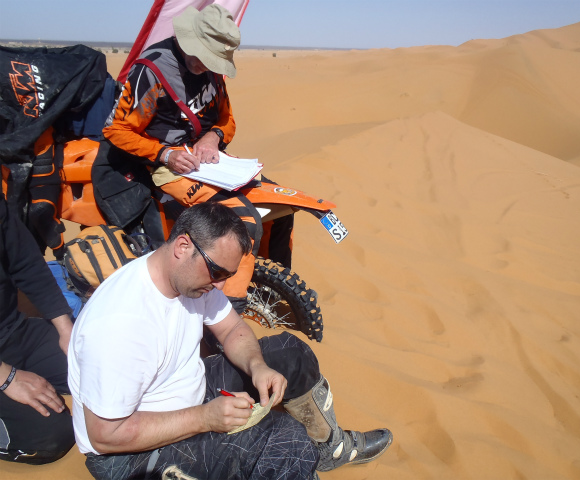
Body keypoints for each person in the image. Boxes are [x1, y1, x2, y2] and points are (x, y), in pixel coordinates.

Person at [68, 201, 392, 479]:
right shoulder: (120, 324)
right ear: (182, 247)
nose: (221, 286)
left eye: (228, 275)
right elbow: (105, 435)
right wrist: (204, 418)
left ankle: (327, 449)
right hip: (128, 454)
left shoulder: (191, 277)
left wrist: (257, 366)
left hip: (190, 395)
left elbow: (231, 329)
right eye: (217, 272)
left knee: (291, 353)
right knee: (285, 442)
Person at [101, 4, 293, 314]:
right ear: (190, 42)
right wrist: (165, 154)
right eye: (206, 57)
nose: (209, 65)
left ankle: (273, 287)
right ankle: (227, 313)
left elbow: (227, 119)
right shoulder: (153, 71)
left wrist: (213, 136)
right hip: (167, 166)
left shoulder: (212, 71)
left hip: (211, 164)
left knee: (282, 207)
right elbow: (116, 130)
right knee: (243, 222)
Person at [0, 190, 75, 464]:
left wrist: (66, 330)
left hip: (12, 329)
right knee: (52, 436)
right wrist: (7, 377)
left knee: (105, 368)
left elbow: (26, 264)